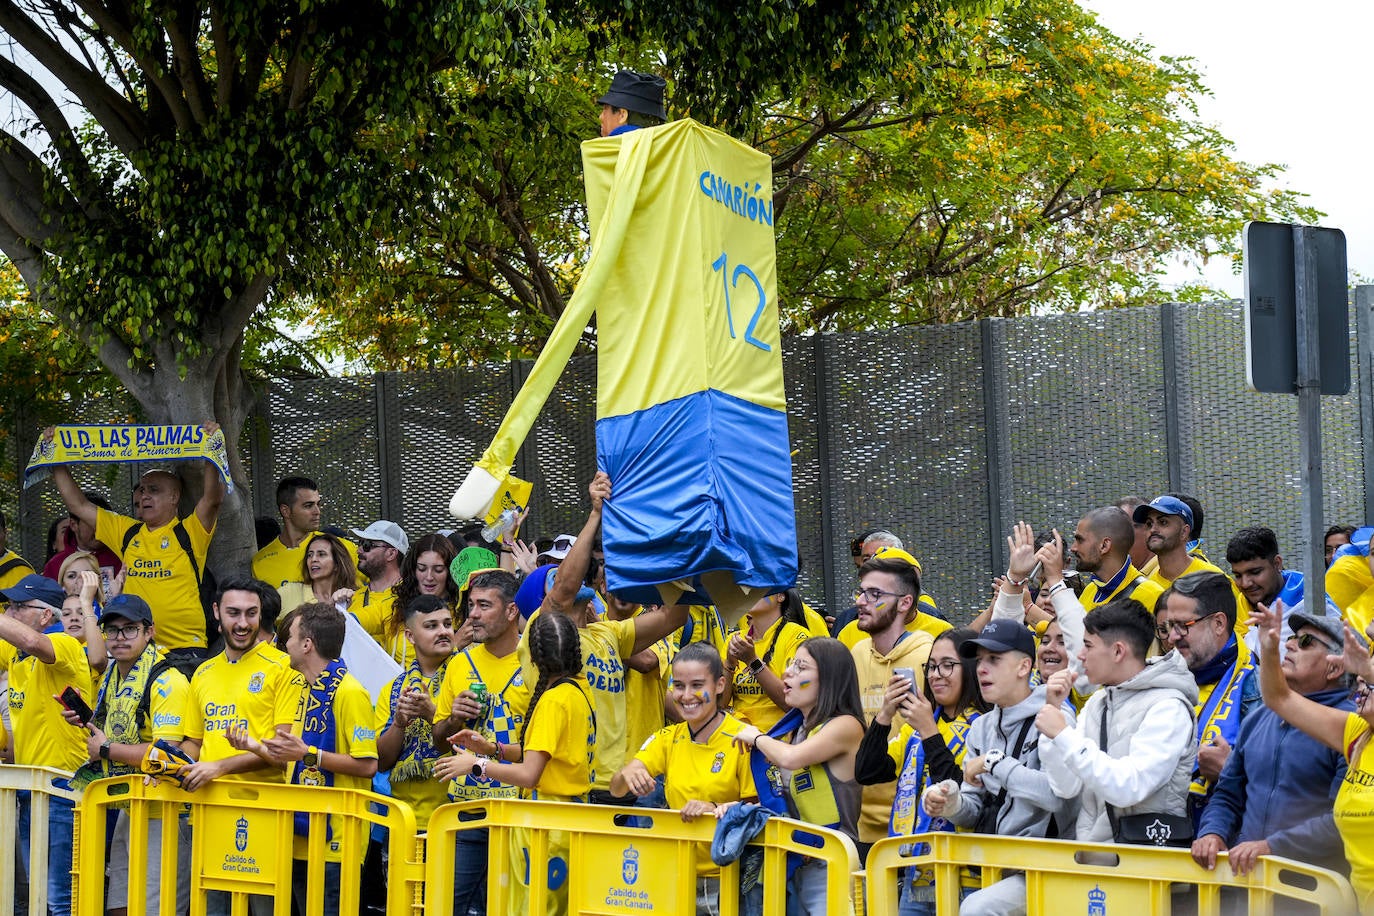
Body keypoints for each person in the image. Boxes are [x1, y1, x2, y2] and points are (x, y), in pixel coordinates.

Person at [519, 473, 689, 806]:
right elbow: (566, 588)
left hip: (618, 786)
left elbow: (676, 616)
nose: (568, 576)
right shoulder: (543, 631)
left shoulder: (608, 632)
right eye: (554, 577)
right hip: (571, 791)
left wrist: (677, 539)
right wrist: (596, 513)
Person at [436, 611, 595, 916]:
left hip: (545, 826)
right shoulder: (578, 690)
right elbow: (543, 753)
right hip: (568, 820)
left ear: (534, 660)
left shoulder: (552, 701)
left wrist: (475, 765)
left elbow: (529, 773)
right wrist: (494, 748)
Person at [921, 619, 1075, 916]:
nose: (981, 669)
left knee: (976, 909)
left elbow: (1057, 795)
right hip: (995, 866)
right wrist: (949, 801)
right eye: (979, 661)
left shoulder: (1056, 716)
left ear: (1023, 667)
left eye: (994, 659)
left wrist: (994, 763)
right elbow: (973, 810)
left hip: (1050, 866)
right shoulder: (981, 728)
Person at [233, 603, 376, 916]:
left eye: (292, 637)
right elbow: (293, 762)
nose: (285, 645)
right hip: (299, 836)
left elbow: (368, 765)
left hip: (337, 840)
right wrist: (254, 746)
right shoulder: (302, 691)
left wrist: (310, 754)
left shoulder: (350, 692)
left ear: (307, 644)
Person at [1192, 612, 1354, 885]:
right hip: (1248, 883)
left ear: (1334, 668)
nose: (1290, 645)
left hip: (1314, 892)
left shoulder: (1351, 727)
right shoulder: (1259, 717)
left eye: (1305, 642)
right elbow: (1228, 794)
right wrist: (1212, 832)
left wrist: (1273, 847)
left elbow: (1345, 819)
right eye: (1290, 638)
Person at [48, 424, 226, 657]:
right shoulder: (127, 532)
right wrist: (54, 456)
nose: (144, 496)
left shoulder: (189, 531)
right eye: (141, 490)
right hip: (137, 646)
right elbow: (77, 505)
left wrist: (213, 450)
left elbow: (212, 499)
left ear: (174, 497)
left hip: (185, 648)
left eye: (153, 490)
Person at [1036, 599, 1198, 846]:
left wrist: (1062, 735)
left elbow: (1129, 787)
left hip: (1147, 868)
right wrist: (1053, 720)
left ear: (1118, 651)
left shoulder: (1169, 707)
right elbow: (1065, 787)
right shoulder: (1097, 702)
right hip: (1092, 862)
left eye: (1087, 646)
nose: (1079, 655)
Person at [610, 642, 756, 914]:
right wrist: (630, 774)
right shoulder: (669, 737)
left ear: (720, 685)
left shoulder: (743, 737)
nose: (687, 696)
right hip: (676, 875)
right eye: (678, 686)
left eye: (697, 685)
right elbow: (617, 789)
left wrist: (713, 809)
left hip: (728, 881)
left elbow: (760, 809)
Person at [1249, 601, 1374, 911]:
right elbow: (1279, 698)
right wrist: (1268, 647)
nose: (1361, 684)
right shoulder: (1356, 732)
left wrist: (1370, 672)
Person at [73, 592, 193, 916]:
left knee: (156, 909)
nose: (119, 638)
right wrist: (87, 721)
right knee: (119, 907)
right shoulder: (114, 675)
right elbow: (115, 729)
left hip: (165, 812)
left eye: (130, 629)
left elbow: (167, 754)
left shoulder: (167, 680)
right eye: (112, 630)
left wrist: (107, 749)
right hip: (129, 806)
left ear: (149, 631)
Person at [854, 628, 988, 915]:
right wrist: (885, 714)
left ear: (970, 668)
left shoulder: (984, 727)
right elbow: (867, 771)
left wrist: (929, 731)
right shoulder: (915, 730)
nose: (936, 674)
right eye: (931, 666)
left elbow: (956, 794)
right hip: (916, 873)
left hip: (966, 877)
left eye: (948, 665)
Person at [732, 638, 866, 916]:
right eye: (791, 664)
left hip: (830, 863)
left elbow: (791, 758)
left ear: (829, 679)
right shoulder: (796, 729)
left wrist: (757, 737)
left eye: (801, 667)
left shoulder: (845, 725)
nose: (787, 672)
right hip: (794, 858)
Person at [432, 569, 527, 916]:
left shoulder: (534, 663)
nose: (472, 614)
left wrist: (494, 751)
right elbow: (439, 741)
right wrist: (453, 719)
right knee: (449, 906)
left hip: (519, 812)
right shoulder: (459, 664)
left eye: (484, 605)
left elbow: (543, 748)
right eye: (471, 605)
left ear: (512, 611)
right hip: (465, 813)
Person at [0, 574, 93, 916]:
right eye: (8, 606)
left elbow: (33, 642)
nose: (9, 613)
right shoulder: (15, 655)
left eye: (18, 607)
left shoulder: (65, 643)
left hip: (61, 789)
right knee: (38, 896)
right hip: (29, 791)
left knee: (59, 900)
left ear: (45, 615)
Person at [1154, 571, 1260, 825]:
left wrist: (1230, 771)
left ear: (1219, 624)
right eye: (1168, 627)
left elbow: (1280, 789)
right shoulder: (1154, 677)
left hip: (1226, 843)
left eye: (1183, 626)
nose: (1172, 637)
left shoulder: (1260, 689)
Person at [848, 553, 935, 859]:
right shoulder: (856, 652)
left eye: (875, 594)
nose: (862, 601)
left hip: (914, 826)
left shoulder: (928, 656)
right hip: (860, 825)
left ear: (905, 603)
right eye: (861, 592)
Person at [1136, 495, 1249, 635]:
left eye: (1163, 522)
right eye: (1149, 524)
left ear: (1184, 532)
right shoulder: (1146, 585)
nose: (1153, 529)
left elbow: (1240, 633)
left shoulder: (1212, 579)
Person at [251, 476, 359, 588]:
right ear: (286, 511)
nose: (317, 511)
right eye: (308, 506)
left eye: (318, 504)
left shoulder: (342, 548)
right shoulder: (260, 562)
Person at [726, 589, 810, 732]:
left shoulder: (797, 636)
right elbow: (719, 705)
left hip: (778, 738)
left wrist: (753, 662)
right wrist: (729, 664)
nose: (750, 592)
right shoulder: (734, 640)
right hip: (737, 739)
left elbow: (792, 703)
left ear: (780, 596)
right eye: (747, 588)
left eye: (760, 587)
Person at [1068, 506, 1164, 613]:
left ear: (1104, 545)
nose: (1073, 548)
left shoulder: (1151, 596)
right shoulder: (1090, 591)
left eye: (1080, 540)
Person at [388, 534, 459, 664]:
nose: (429, 577)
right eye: (422, 569)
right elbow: (349, 620)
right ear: (413, 570)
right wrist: (341, 600)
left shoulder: (463, 607)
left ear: (450, 572)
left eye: (438, 570)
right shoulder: (394, 605)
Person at [344, 520, 408, 647]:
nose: (359, 551)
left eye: (367, 545)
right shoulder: (351, 598)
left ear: (391, 553)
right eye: (360, 543)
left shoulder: (410, 597)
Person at [42, 491, 122, 585]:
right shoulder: (55, 565)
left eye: (103, 524)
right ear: (73, 525)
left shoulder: (121, 557)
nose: (99, 530)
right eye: (91, 524)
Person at [277, 532, 358, 614]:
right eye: (310, 555)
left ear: (337, 564)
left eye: (321, 554)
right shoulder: (289, 592)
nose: (313, 559)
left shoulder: (351, 597)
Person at [58, 569, 107, 675]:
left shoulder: (104, 642)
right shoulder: (54, 643)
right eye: (66, 614)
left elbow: (98, 661)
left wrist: (86, 604)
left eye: (81, 613)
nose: (74, 618)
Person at [596, 70, 667, 137]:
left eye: (605, 110)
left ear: (622, 115)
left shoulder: (604, 148)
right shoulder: (667, 147)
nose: (601, 117)